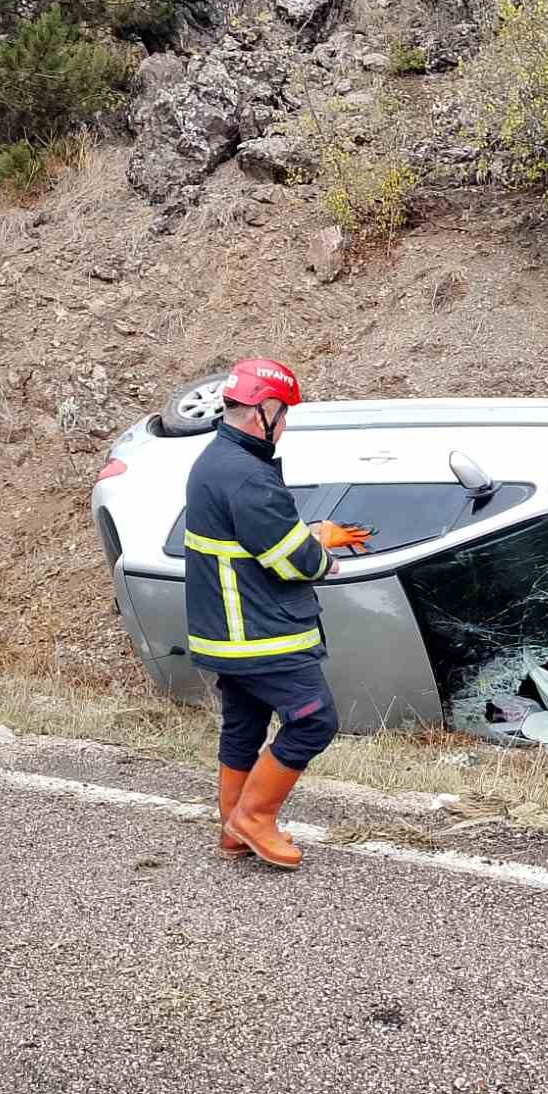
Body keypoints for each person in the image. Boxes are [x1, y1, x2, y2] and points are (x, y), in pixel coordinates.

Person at [182, 357, 370, 869]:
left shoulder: (216, 461)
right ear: (263, 410)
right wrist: (323, 553)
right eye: (282, 414)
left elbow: (257, 539)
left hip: (226, 631)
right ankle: (255, 818)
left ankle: (231, 829)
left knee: (244, 725)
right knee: (314, 720)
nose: (284, 425)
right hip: (260, 632)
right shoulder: (247, 476)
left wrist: (310, 532)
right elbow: (291, 562)